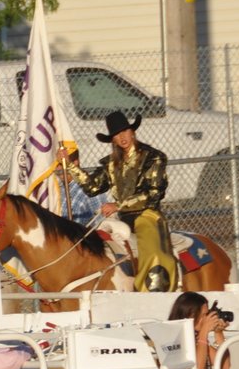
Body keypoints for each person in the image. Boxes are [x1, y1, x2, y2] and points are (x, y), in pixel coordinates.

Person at [63, 110, 178, 292]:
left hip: (147, 216)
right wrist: (70, 166)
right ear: (113, 140)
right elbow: (93, 187)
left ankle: (155, 292)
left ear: (132, 132)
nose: (122, 137)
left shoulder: (153, 157)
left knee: (153, 252)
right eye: (116, 134)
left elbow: (153, 193)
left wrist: (118, 205)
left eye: (124, 131)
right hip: (121, 218)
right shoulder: (111, 163)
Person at [168, 291, 232, 369]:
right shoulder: (174, 340)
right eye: (204, 315)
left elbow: (225, 365)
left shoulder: (198, 339)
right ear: (190, 315)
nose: (207, 318)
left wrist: (218, 333)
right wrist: (204, 332)